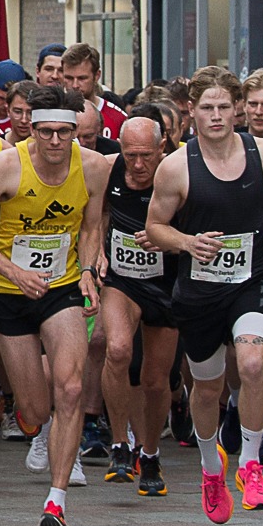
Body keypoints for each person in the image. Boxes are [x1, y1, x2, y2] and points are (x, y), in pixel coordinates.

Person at [145, 66, 263, 526]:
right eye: (207, 108)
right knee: (208, 386)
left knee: (253, 364)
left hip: (252, 278)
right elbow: (154, 227)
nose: (216, 116)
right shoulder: (176, 167)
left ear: (237, 109)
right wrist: (186, 242)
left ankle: (251, 462)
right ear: (191, 111)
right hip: (200, 290)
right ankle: (210, 468)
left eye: (223, 107)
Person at [0, 85, 111, 526]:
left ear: (76, 131)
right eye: (45, 132)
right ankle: (32, 422)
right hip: (9, 292)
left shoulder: (94, 167)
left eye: (64, 133)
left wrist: (88, 271)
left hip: (61, 288)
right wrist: (15, 272)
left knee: (71, 387)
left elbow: (91, 227)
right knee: (34, 408)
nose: (54, 141)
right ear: (30, 128)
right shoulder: (4, 167)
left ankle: (56, 501)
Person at [96, 116, 178, 496]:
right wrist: (96, 252)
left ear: (162, 148)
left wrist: (169, 240)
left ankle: (151, 453)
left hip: (165, 285)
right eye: (131, 156)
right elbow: (96, 215)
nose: (139, 164)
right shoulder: (109, 169)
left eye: (146, 155)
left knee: (156, 381)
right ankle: (119, 445)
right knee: (117, 350)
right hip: (122, 279)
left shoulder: (179, 173)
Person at [59, 45, 127, 138]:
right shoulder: (51, 115)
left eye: (82, 78)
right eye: (69, 78)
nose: (75, 85)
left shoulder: (117, 119)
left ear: (97, 76)